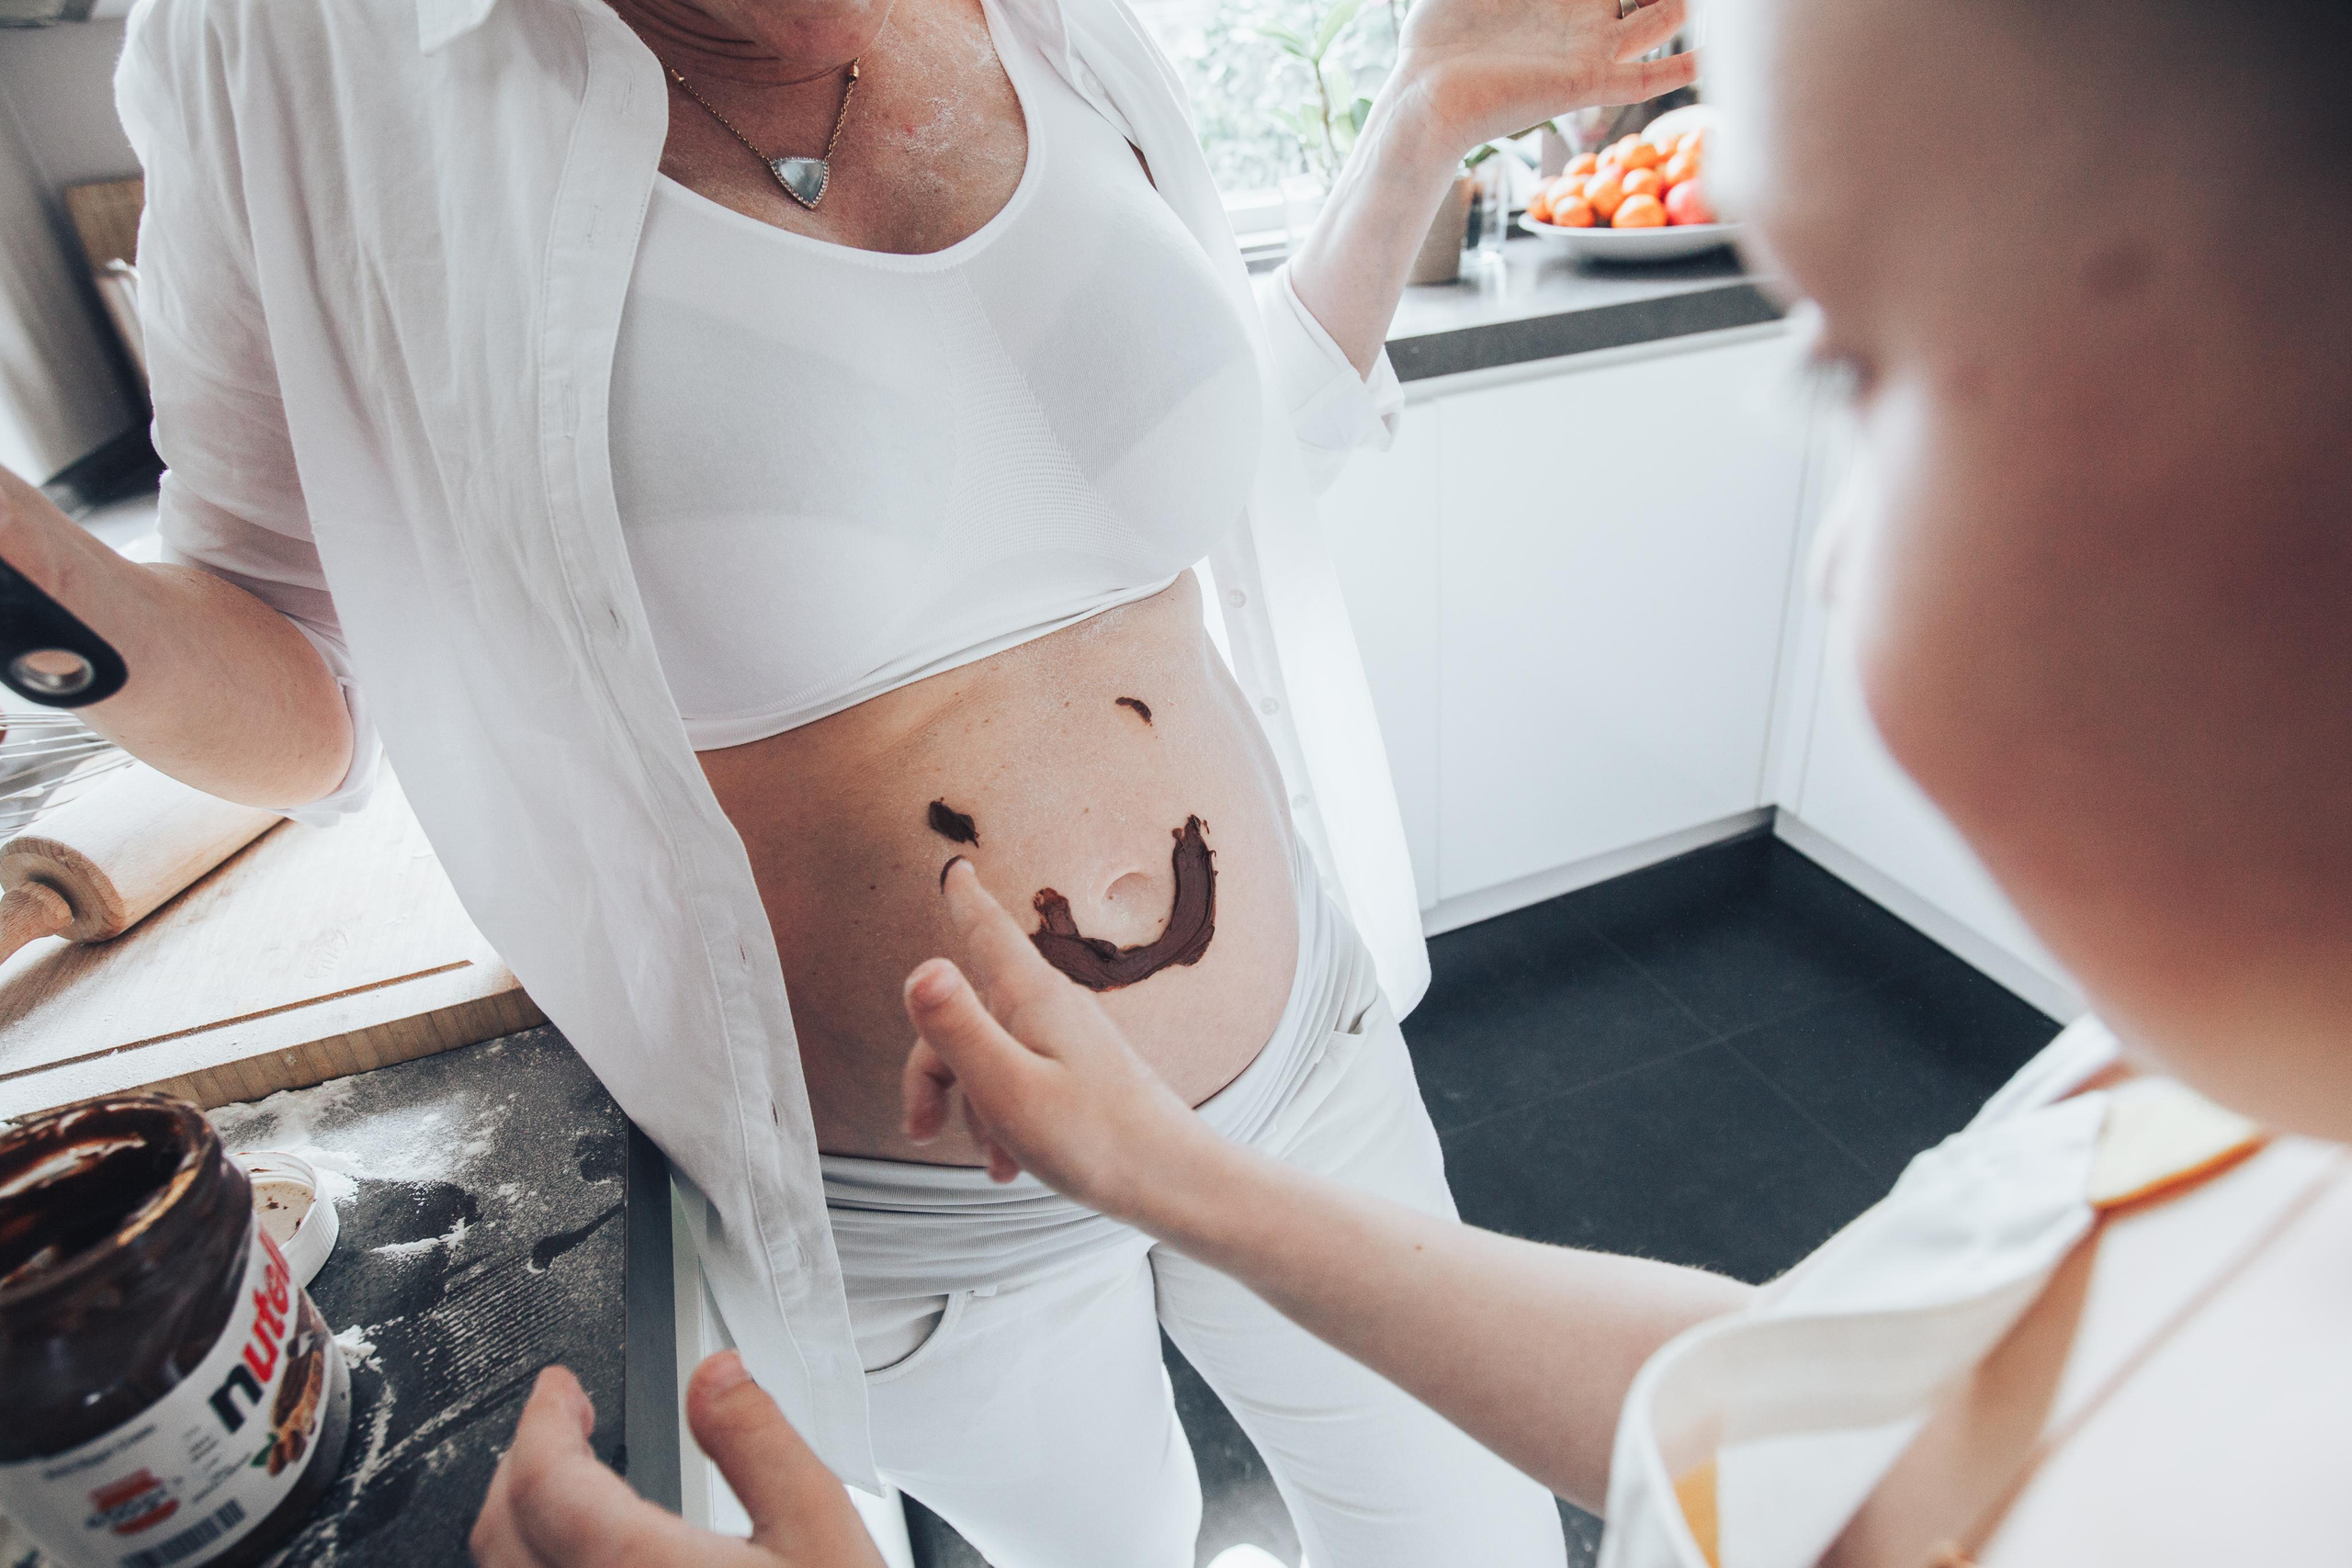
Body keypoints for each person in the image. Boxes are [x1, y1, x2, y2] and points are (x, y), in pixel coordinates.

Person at [467, 0, 2352, 1560]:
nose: (1838, 555)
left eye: (1865, 361)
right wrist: (1189, 1181)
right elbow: (1797, 1394)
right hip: (965, 1187)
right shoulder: (2182, 1102)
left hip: (1289, 1069)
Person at [0, 0, 1699, 1553]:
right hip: (916, 1205)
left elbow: (1168, 462)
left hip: (1299, 1064)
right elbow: (302, 693)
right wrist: (32, 578)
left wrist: (1415, 121)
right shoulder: (289, 53)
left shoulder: (1050, 22)